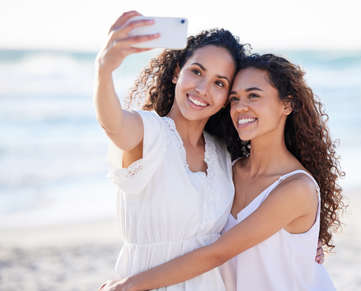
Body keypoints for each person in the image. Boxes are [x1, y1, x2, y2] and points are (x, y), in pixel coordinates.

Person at [99, 53, 344, 291]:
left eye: (254, 96)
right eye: (235, 98)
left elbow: (218, 253)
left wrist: (130, 285)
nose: (241, 108)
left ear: (287, 104)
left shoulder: (296, 188)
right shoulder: (227, 169)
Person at [95, 10, 247, 290]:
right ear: (177, 72)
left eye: (219, 83)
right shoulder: (149, 133)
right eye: (197, 71)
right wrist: (104, 71)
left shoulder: (222, 154)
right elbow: (113, 123)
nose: (203, 88)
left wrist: (306, 240)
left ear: (227, 98)